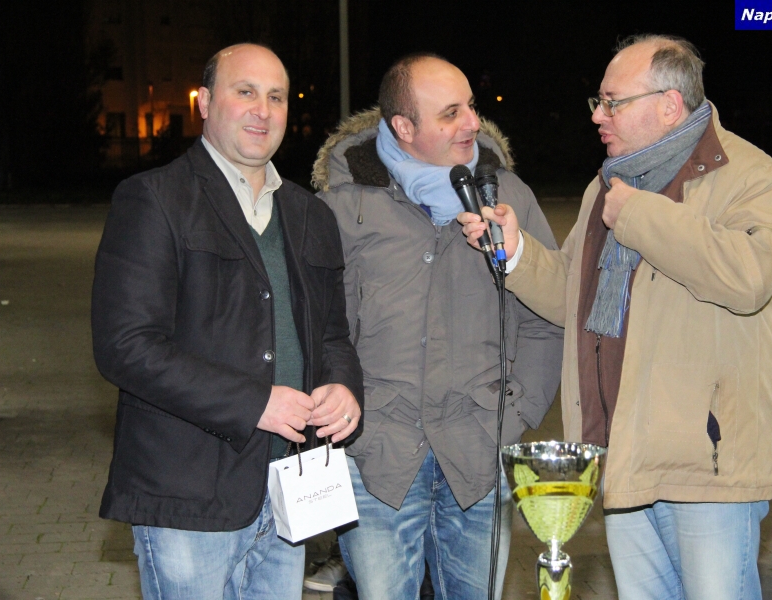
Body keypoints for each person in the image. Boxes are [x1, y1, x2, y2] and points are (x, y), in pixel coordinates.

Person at [460, 34, 772, 600]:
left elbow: (749, 276)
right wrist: (516, 252)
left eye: (613, 102)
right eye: (598, 101)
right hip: (621, 459)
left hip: (707, 469)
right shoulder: (608, 184)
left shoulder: (751, 176)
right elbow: (575, 296)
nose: (598, 115)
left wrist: (638, 214)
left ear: (669, 104)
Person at [91, 43, 363, 600]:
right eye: (245, 92)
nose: (263, 110)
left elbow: (332, 333)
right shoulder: (154, 199)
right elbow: (126, 345)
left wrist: (342, 386)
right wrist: (254, 402)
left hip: (287, 489)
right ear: (205, 102)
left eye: (276, 97)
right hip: (188, 494)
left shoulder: (310, 215)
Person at [312, 52, 563, 599]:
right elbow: (321, 328)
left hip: (477, 453)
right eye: (451, 113)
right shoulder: (342, 206)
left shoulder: (509, 197)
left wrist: (516, 414)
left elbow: (548, 319)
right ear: (404, 127)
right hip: (377, 460)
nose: (472, 122)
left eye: (470, 106)